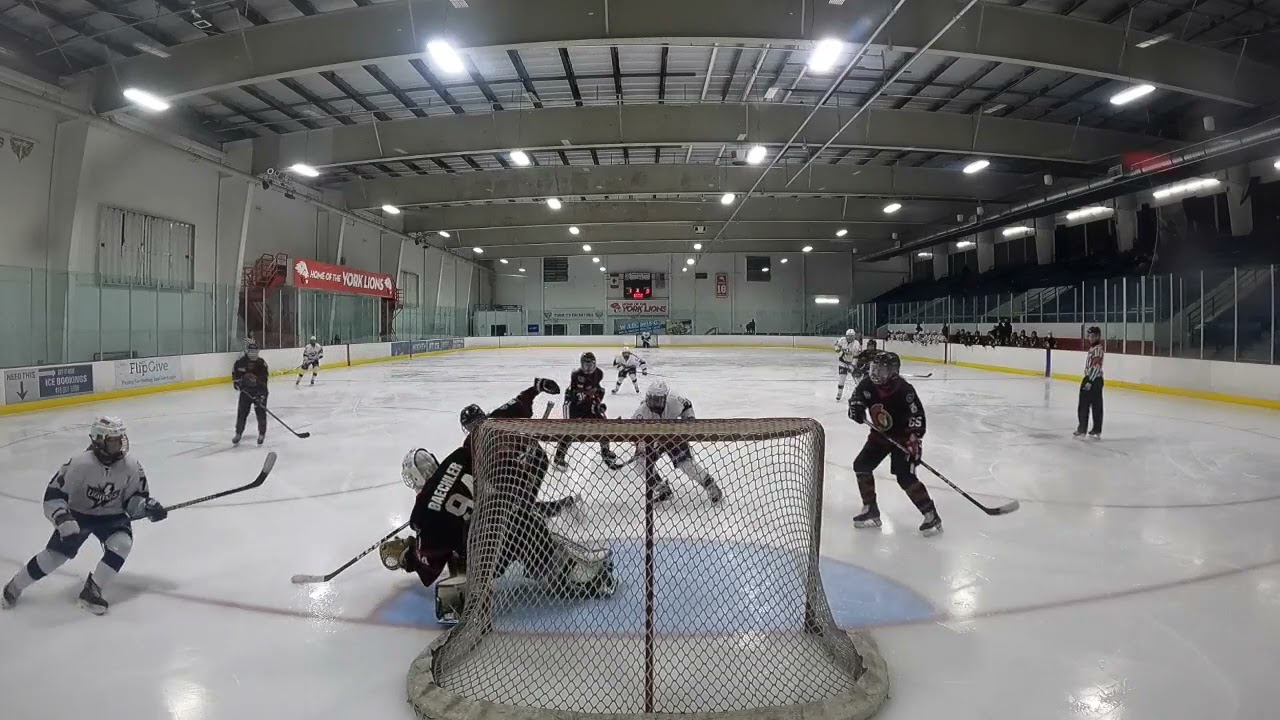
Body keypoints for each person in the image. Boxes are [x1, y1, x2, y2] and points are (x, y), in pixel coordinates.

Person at [2, 417, 167, 614]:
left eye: (121, 438)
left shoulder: (131, 466)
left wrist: (146, 507)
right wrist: (63, 518)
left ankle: (92, 590)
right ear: (99, 441)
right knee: (54, 557)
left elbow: (133, 500)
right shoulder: (79, 464)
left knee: (122, 544)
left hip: (111, 517)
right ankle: (15, 586)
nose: (121, 444)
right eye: (113, 440)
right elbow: (53, 497)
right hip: (79, 515)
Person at [847, 352, 942, 536]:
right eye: (873, 369)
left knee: (904, 476)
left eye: (880, 370)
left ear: (893, 372)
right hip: (880, 436)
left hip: (903, 439)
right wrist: (856, 409)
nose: (875, 374)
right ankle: (871, 510)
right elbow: (856, 399)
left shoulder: (904, 390)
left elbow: (917, 417)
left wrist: (914, 440)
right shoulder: (867, 384)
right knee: (861, 465)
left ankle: (931, 514)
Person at [631, 381, 723, 503]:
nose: (653, 403)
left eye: (657, 400)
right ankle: (661, 488)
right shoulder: (641, 411)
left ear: (664, 398)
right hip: (654, 441)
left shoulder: (674, 400)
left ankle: (710, 485)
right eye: (651, 399)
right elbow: (634, 431)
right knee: (640, 462)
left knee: (686, 464)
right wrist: (641, 445)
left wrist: (689, 419)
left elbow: (687, 405)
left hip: (674, 437)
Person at [554, 352, 621, 471]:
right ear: (581, 365)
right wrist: (590, 397)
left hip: (587, 404)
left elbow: (598, 390)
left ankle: (605, 451)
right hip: (573, 405)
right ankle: (559, 457)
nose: (589, 368)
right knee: (569, 429)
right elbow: (578, 394)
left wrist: (596, 403)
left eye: (591, 365)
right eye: (586, 365)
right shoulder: (576, 375)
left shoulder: (599, 374)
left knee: (603, 424)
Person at [232, 340, 269, 445]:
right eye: (251, 351)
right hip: (246, 392)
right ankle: (238, 433)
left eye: (255, 351)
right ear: (247, 351)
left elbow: (264, 381)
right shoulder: (240, 362)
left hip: (259, 392)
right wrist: (237, 383)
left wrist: (260, 396)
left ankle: (261, 433)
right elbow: (235, 374)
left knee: (261, 413)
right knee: (242, 413)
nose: (253, 353)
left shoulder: (261, 364)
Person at [1075, 326, 1104, 439]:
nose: (1089, 338)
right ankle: (1095, 429)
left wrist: (1090, 381)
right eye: (1089, 336)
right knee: (1094, 405)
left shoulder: (1097, 349)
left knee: (1085, 404)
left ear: (1097, 336)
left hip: (1093, 379)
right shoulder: (1094, 348)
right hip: (1094, 379)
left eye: (1092, 336)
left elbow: (1096, 366)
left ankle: (1084, 429)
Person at [833, 328, 862, 402]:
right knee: (841, 379)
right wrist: (837, 349)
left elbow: (856, 356)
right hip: (843, 362)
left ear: (854, 336)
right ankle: (839, 394)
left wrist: (852, 366)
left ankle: (860, 394)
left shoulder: (856, 344)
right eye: (848, 336)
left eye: (851, 336)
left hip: (852, 363)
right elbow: (836, 345)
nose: (849, 337)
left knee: (857, 381)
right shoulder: (842, 340)